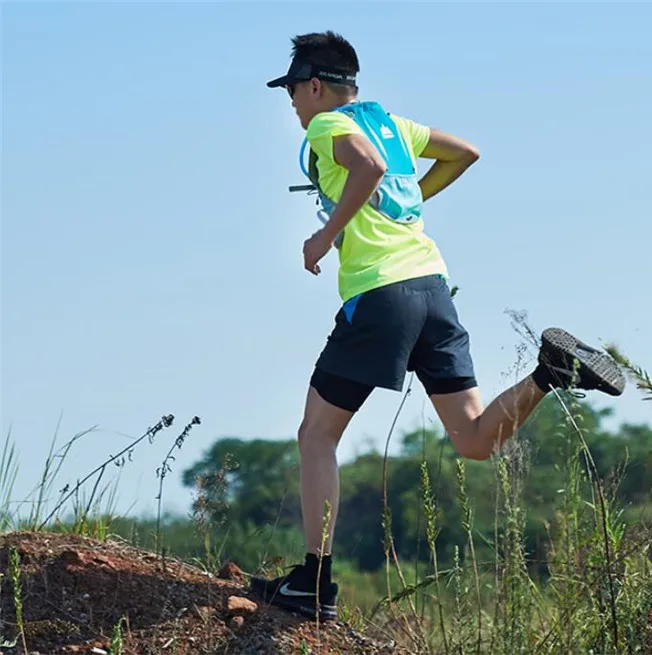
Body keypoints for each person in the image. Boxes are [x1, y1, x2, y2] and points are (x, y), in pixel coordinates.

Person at [251, 30, 626, 621]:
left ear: (317, 86)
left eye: (293, 91)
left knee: (316, 435)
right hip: (431, 287)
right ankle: (550, 372)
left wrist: (325, 236)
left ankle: (314, 583)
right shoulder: (392, 124)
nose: (292, 104)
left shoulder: (328, 127)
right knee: (475, 440)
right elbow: (464, 152)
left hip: (380, 295)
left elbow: (367, 167)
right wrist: (410, 203)